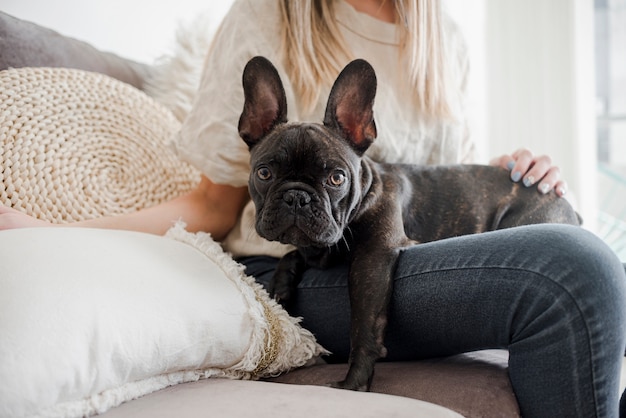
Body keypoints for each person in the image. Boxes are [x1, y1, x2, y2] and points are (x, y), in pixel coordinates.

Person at [1, 0, 625, 416]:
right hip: (300, 272)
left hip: (412, 256)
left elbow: (435, 185)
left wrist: (512, 172)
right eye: (276, 173)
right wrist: (53, 230)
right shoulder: (271, 12)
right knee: (573, 269)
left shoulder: (444, 38)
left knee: (578, 248)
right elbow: (212, 203)